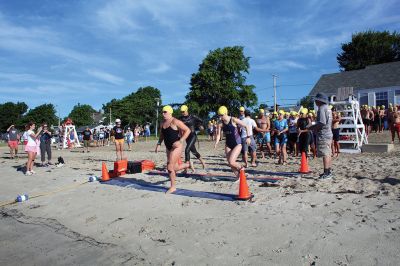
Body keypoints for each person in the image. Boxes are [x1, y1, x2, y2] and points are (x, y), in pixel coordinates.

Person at [155, 105, 192, 194]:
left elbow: (188, 130)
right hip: (168, 147)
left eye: (165, 112)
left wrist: (181, 141)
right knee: (174, 167)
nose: (163, 114)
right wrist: (159, 143)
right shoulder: (162, 123)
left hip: (177, 146)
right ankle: (187, 165)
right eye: (162, 112)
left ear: (170, 112)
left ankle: (173, 187)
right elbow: (162, 135)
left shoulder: (175, 121)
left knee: (169, 167)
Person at [214, 106, 251, 178]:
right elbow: (218, 135)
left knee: (232, 161)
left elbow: (246, 126)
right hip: (228, 144)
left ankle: (241, 169)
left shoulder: (233, 119)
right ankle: (239, 177)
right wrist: (216, 142)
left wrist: (248, 137)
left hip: (237, 144)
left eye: (222, 115)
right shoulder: (220, 123)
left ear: (225, 113)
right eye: (219, 115)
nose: (220, 117)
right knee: (230, 163)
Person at [308, 92, 333, 179]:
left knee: (325, 153)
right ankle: (328, 171)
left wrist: (312, 127)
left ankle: (326, 173)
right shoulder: (328, 108)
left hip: (323, 134)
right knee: (328, 153)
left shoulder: (322, 108)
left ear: (319, 101)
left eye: (316, 100)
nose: (315, 102)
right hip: (329, 133)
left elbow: (322, 122)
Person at [179, 105, 206, 172]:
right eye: (181, 112)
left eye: (183, 111)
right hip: (186, 137)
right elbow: (179, 127)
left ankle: (185, 168)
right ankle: (203, 162)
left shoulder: (193, 116)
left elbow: (201, 121)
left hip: (193, 135)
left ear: (187, 110)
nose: (182, 113)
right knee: (194, 151)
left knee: (187, 149)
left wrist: (200, 126)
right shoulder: (180, 118)